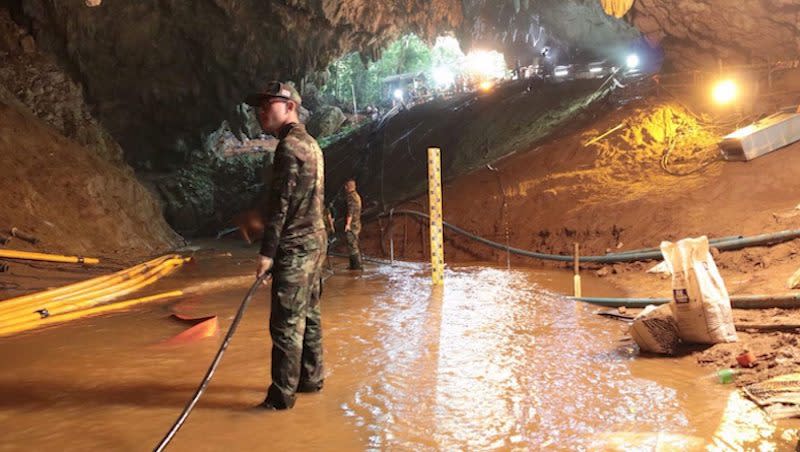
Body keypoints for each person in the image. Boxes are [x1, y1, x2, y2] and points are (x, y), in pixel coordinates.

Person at [247, 81, 327, 410]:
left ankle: (280, 398)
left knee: (285, 324)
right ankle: (311, 378)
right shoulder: (311, 144)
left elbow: (280, 206)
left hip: (295, 246)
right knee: (308, 313)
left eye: (269, 105)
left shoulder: (288, 147)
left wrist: (267, 253)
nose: (262, 111)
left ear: (290, 106)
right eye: (259, 106)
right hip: (315, 242)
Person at [344, 178, 363, 270]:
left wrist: (348, 224)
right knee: (353, 244)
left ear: (347, 187)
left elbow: (350, 212)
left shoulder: (351, 197)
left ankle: (357, 266)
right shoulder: (357, 196)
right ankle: (353, 265)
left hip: (353, 225)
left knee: (352, 245)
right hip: (357, 223)